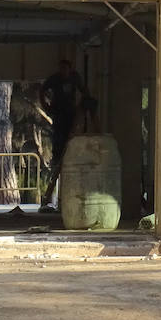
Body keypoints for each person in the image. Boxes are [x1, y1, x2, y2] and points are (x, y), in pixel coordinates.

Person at [39, 59, 92, 208]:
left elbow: (84, 90)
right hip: (59, 113)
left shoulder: (75, 78)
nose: (64, 72)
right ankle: (57, 158)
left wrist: (83, 104)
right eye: (61, 69)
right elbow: (42, 90)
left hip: (71, 113)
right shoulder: (55, 79)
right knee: (59, 139)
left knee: (71, 138)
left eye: (66, 69)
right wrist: (46, 106)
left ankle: (67, 156)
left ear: (70, 69)